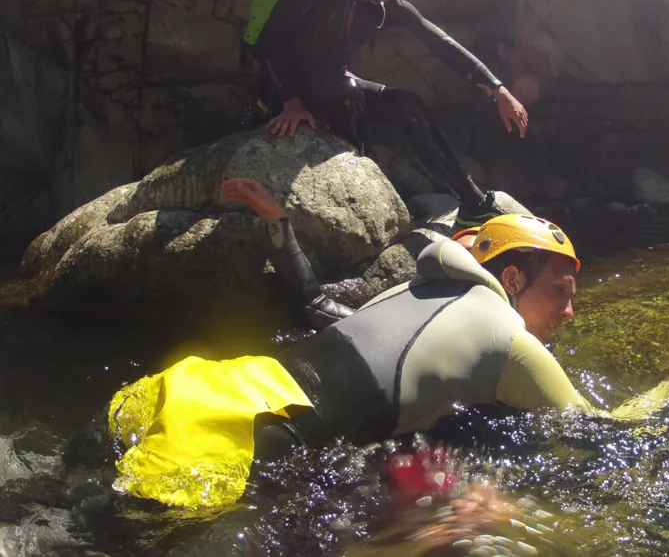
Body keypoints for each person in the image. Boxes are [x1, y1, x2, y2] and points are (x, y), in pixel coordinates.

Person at [96, 179, 593, 509]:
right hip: (251, 447)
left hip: (198, 387)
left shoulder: (411, 290)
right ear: (511, 277)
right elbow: (604, 433)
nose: (569, 314)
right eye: (560, 294)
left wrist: (279, 223)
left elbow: (314, 302)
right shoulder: (508, 338)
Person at [243, 0, 528, 227]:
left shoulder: (384, 5)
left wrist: (497, 88)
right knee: (347, 95)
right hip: (283, 88)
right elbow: (269, 40)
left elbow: (439, 41)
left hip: (331, 86)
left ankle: (474, 203)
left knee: (408, 104)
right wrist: (291, 102)